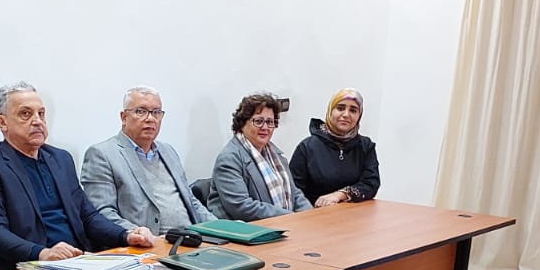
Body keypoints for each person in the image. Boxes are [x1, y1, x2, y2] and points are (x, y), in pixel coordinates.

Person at [0, 82, 159, 270]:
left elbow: (88, 217)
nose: (37, 121)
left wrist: (125, 235)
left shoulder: (60, 159)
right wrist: (42, 253)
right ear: (2, 122)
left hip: (77, 264)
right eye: (25, 114)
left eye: (41, 113)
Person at [80, 86, 215, 233]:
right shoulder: (102, 154)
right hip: (146, 242)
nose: (150, 119)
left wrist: (221, 228)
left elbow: (191, 202)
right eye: (141, 111)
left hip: (192, 238)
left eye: (156, 112)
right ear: (124, 117)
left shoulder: (168, 151)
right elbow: (102, 214)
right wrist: (136, 234)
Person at [208, 92, 313, 221]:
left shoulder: (276, 155)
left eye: (270, 122)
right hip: (247, 230)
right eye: (258, 121)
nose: (265, 127)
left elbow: (294, 193)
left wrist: (309, 216)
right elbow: (242, 207)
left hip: (283, 223)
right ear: (242, 123)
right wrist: (290, 217)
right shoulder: (229, 159)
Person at [288, 87, 380, 207]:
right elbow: (294, 191)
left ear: (359, 116)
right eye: (340, 108)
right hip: (315, 213)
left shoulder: (365, 146)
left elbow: (371, 183)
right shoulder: (307, 147)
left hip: (355, 214)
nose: (346, 114)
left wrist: (340, 194)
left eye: (353, 110)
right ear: (331, 111)